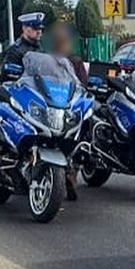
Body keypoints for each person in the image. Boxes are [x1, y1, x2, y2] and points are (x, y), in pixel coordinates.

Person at [49, 25, 86, 202]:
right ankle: (70, 173)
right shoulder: (48, 60)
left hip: (66, 107)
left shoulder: (74, 62)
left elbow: (83, 86)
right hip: (56, 105)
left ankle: (71, 172)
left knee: (81, 136)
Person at [0, 12, 45, 83]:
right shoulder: (15, 51)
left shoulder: (39, 49)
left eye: (40, 29)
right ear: (24, 28)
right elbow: (7, 77)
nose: (39, 32)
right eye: (35, 28)